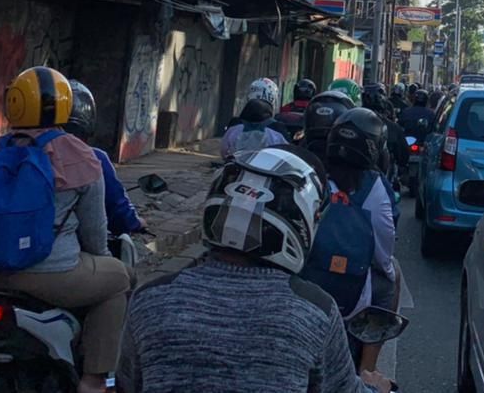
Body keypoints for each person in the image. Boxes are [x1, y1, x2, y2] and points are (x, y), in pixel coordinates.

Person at [116, 147, 391, 393]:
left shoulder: (150, 299)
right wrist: (375, 387)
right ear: (303, 220)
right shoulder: (315, 312)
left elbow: (128, 383)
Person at [0, 67, 130, 393]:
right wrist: (102, 259)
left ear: (14, 103)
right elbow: (96, 238)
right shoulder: (80, 156)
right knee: (118, 281)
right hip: (47, 276)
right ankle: (95, 380)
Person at [307, 108, 398, 375]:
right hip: (353, 295)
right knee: (392, 280)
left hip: (305, 276)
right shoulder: (377, 189)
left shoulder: (314, 174)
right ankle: (367, 370)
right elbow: (383, 256)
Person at [65, 80, 145, 238]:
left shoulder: (7, 150)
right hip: (58, 255)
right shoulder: (93, 158)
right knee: (115, 264)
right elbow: (116, 214)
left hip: (7, 250)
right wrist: (136, 223)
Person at [221, 98, 288, 160]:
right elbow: (286, 154)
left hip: (237, 168)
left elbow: (224, 151)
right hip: (265, 170)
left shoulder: (233, 130)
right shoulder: (275, 135)